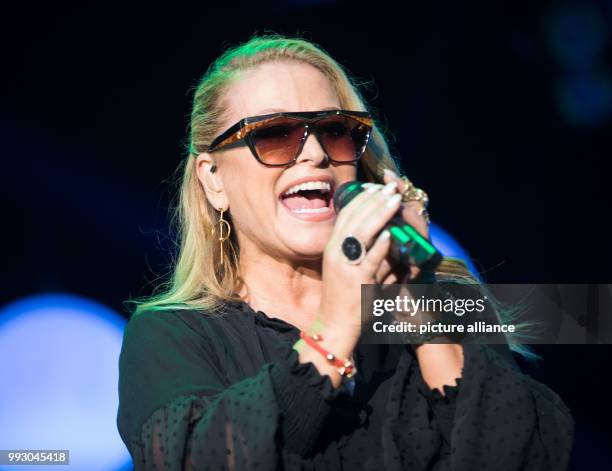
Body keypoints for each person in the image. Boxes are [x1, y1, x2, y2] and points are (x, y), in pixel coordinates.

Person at [117, 34, 574, 470]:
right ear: (213, 179)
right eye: (275, 133)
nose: (314, 152)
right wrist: (336, 325)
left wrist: (417, 301)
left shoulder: (446, 301)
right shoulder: (171, 336)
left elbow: (525, 456)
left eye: (336, 132)